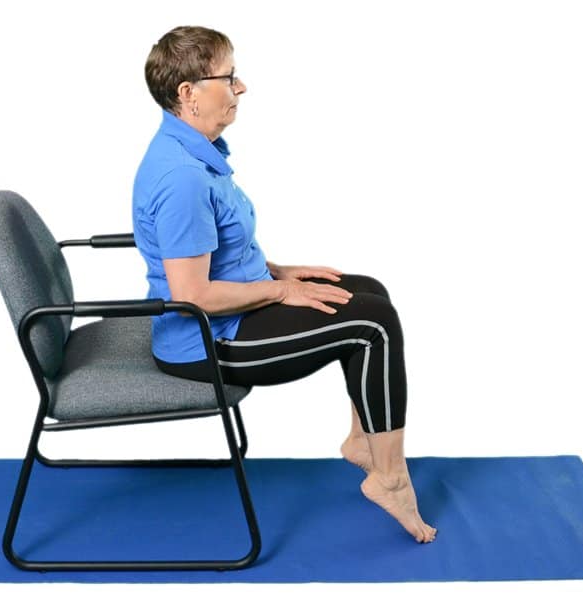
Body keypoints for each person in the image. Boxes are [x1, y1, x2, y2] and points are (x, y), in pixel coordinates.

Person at [133, 25, 436, 544]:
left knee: (366, 289)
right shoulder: (181, 176)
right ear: (188, 93)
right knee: (374, 325)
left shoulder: (193, 153)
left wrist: (278, 272)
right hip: (204, 339)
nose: (241, 87)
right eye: (228, 77)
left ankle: (365, 442)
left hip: (225, 314)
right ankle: (390, 480)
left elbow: (218, 253)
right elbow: (193, 296)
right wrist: (277, 293)